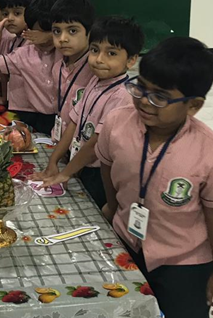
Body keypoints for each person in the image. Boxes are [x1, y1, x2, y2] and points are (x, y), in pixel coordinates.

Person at [96, 37, 213, 318]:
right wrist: (112, 207)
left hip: (183, 259)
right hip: (127, 243)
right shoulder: (118, 123)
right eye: (141, 88)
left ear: (194, 105)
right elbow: (108, 167)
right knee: (112, 311)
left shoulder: (211, 152)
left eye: (160, 96)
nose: (145, 101)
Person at [38, 16, 143, 207]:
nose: (99, 59)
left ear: (131, 60)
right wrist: (53, 161)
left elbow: (95, 143)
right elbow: (74, 122)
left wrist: (65, 173)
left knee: (91, 212)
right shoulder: (95, 80)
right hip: (78, 162)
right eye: (94, 50)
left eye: (111, 53)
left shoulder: (122, 96)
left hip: (99, 172)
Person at [0, 0, 58, 133]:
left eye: (49, 31)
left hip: (61, 116)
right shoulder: (24, 53)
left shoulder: (64, 52)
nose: (41, 37)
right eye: (36, 32)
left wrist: (50, 36)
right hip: (33, 115)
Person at [50, 0, 96, 143]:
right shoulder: (58, 68)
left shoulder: (95, 71)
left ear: (90, 32)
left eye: (72, 31)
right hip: (59, 140)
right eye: (57, 31)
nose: (63, 39)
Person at [0, 0, 35, 105]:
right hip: (17, 102)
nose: (10, 18)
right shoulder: (14, 40)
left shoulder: (32, 43)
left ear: (31, 13)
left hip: (29, 106)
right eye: (5, 14)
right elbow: (3, 73)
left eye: (17, 13)